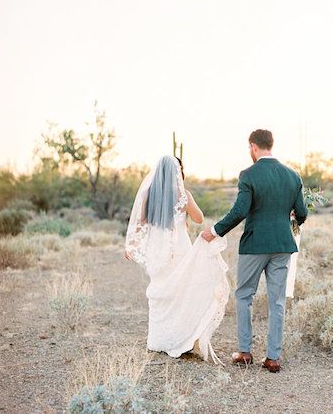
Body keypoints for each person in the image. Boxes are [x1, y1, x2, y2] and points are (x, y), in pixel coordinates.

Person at [202, 129, 308, 373]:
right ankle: (273, 358)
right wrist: (290, 219)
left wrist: (216, 231)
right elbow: (301, 213)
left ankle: (245, 352)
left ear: (253, 146)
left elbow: (240, 210)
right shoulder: (293, 176)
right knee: (277, 301)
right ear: (271, 144)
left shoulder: (248, 175)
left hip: (254, 245)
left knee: (244, 296)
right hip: (282, 246)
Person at [125, 155, 229, 364]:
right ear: (177, 172)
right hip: (180, 250)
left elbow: (140, 223)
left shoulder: (148, 195)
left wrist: (131, 245)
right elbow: (199, 218)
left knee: (160, 294)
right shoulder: (183, 195)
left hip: (158, 252)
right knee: (181, 294)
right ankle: (183, 340)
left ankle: (158, 341)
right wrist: (187, 202)